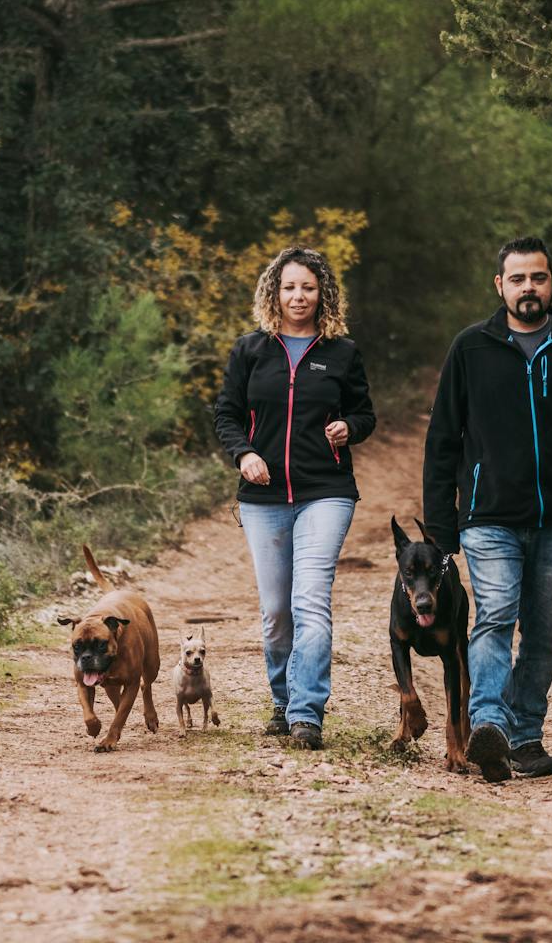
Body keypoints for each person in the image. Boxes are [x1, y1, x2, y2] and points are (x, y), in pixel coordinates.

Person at [422, 235, 552, 781]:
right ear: (500, 286)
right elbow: (443, 440)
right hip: (488, 515)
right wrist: (441, 528)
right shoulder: (470, 349)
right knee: (495, 615)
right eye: (517, 279)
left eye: (537, 278)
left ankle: (525, 735)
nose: (528, 288)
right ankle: (488, 724)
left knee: (545, 631)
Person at [214, 245, 376, 749]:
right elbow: (226, 416)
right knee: (276, 610)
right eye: (289, 287)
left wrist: (349, 427)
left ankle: (308, 712)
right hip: (262, 498)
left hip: (325, 492)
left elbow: (366, 415)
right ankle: (283, 702)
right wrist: (243, 454)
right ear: (274, 292)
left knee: (310, 600)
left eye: (308, 287)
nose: (298, 296)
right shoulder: (250, 350)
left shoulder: (341, 353)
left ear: (322, 292)